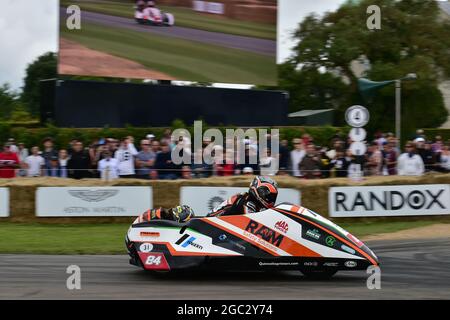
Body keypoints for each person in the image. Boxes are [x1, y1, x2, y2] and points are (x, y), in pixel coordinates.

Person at [207, 176, 278, 217]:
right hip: (211, 221)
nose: (270, 200)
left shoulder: (255, 204)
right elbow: (252, 220)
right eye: (268, 196)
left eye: (272, 197)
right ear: (257, 190)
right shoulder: (246, 199)